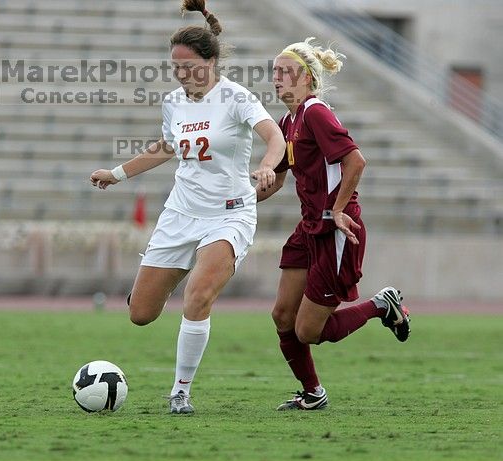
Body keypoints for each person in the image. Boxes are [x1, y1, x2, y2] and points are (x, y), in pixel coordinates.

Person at [90, 0, 286, 414]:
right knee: (141, 315)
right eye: (175, 67)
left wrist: (268, 167)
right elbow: (166, 147)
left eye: (188, 65)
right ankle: (161, 278)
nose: (181, 74)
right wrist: (117, 173)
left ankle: (180, 391)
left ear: (211, 61)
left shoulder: (236, 97)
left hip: (229, 213)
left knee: (198, 297)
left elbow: (275, 138)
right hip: (181, 213)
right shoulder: (174, 102)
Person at [256, 38, 411, 410]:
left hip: (336, 229)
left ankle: (382, 305)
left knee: (309, 330)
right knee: (282, 315)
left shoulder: (315, 113)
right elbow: (277, 180)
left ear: (307, 78)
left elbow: (356, 162)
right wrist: (236, 199)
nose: (277, 80)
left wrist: (338, 209)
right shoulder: (287, 121)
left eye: (285, 72)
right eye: (274, 73)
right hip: (308, 227)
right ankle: (312, 393)